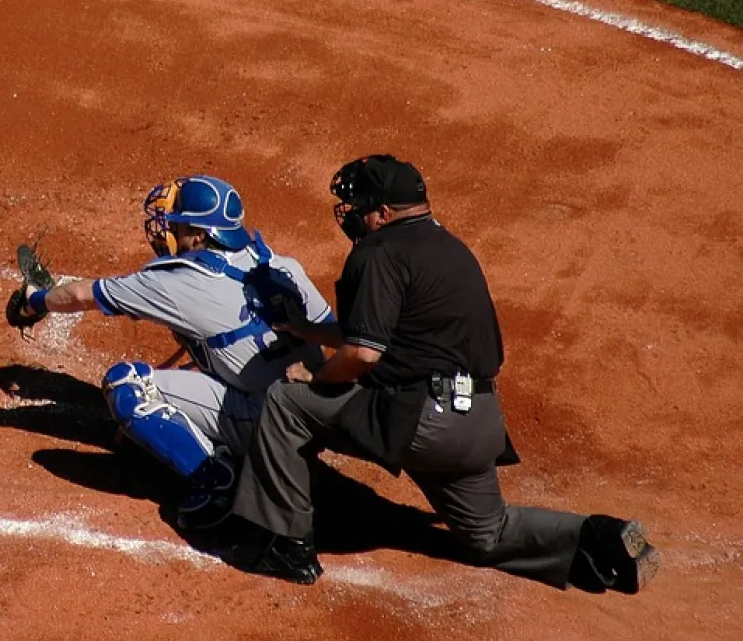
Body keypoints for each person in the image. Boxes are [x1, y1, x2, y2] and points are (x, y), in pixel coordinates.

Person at [221, 154, 659, 590]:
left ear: (382, 213)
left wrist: (319, 384)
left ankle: (284, 546)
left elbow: (362, 355)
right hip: (478, 424)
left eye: (358, 207)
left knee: (285, 405)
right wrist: (306, 329)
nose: (352, 216)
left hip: (419, 421)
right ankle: (598, 537)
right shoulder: (450, 248)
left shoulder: (378, 253)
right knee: (487, 534)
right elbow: (393, 334)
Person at [12, 175, 334, 527]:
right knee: (205, 367)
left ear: (200, 236)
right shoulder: (283, 265)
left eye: (178, 226)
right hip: (316, 412)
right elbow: (333, 333)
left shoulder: (177, 282)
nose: (168, 232)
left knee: (127, 386)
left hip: (270, 426)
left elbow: (80, 295)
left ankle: (218, 481)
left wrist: (34, 301)